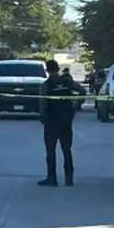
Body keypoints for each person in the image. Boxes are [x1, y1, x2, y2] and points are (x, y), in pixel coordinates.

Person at [38, 59, 87, 187]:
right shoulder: (67, 81)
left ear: (47, 70)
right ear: (58, 69)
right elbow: (82, 92)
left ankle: (52, 178)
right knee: (66, 150)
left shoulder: (46, 85)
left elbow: (43, 103)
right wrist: (75, 107)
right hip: (66, 119)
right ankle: (69, 178)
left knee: (50, 150)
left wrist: (42, 117)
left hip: (51, 120)